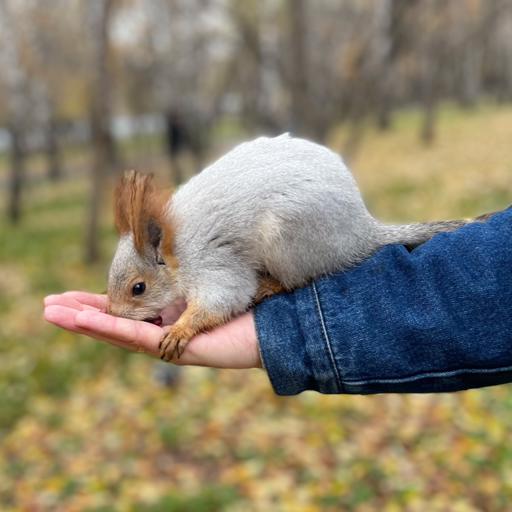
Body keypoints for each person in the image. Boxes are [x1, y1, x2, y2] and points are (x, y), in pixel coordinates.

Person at [44, 206, 512, 396]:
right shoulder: (177, 251)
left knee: (272, 234)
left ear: (160, 258)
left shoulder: (193, 257)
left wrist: (186, 326)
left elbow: (228, 293)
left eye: (139, 293)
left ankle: (286, 280)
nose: (136, 305)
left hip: (308, 222)